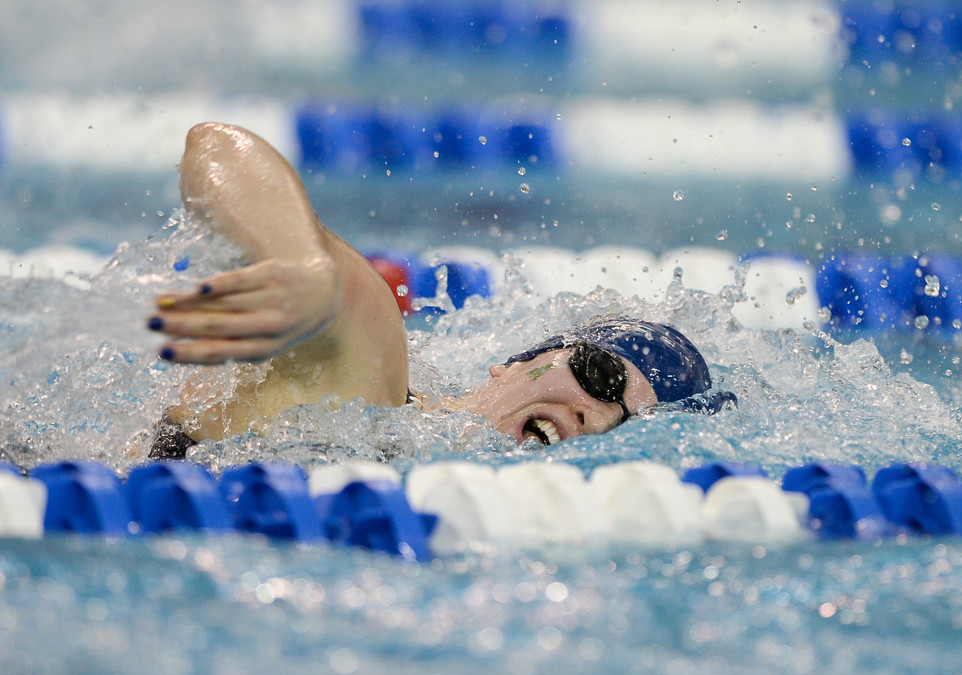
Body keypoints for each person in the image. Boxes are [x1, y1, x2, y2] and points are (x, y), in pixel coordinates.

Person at [148, 123, 733, 458]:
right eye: (602, 376)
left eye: (628, 424)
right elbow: (217, 146)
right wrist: (305, 268)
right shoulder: (370, 388)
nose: (598, 414)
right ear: (516, 364)